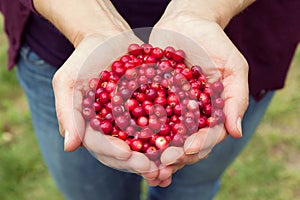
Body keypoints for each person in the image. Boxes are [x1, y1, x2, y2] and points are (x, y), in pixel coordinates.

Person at [0, 0, 299, 199]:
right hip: (62, 41)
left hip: (229, 45)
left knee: (194, 187)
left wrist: (199, 10)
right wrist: (90, 25)